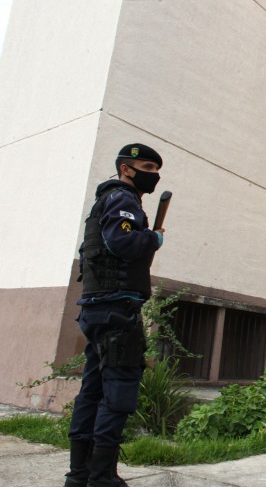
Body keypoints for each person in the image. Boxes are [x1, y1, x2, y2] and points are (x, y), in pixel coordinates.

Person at [65, 143, 165, 487]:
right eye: (147, 167)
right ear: (126, 168)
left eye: (156, 168)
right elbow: (121, 243)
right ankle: (102, 477)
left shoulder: (103, 202)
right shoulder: (122, 199)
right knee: (118, 393)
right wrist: (152, 238)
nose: (153, 174)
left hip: (96, 309)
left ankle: (79, 475)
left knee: (92, 392)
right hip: (116, 311)